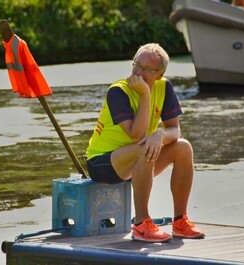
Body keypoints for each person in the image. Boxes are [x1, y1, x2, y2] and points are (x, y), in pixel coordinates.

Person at [86, 43, 204, 243]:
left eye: (146, 69)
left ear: (159, 74)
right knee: (143, 149)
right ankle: (141, 224)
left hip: (140, 160)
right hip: (103, 162)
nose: (138, 72)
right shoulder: (118, 91)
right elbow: (136, 133)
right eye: (136, 65)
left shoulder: (164, 86)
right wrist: (145, 94)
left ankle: (180, 221)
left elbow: (175, 130)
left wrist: (160, 136)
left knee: (183, 147)